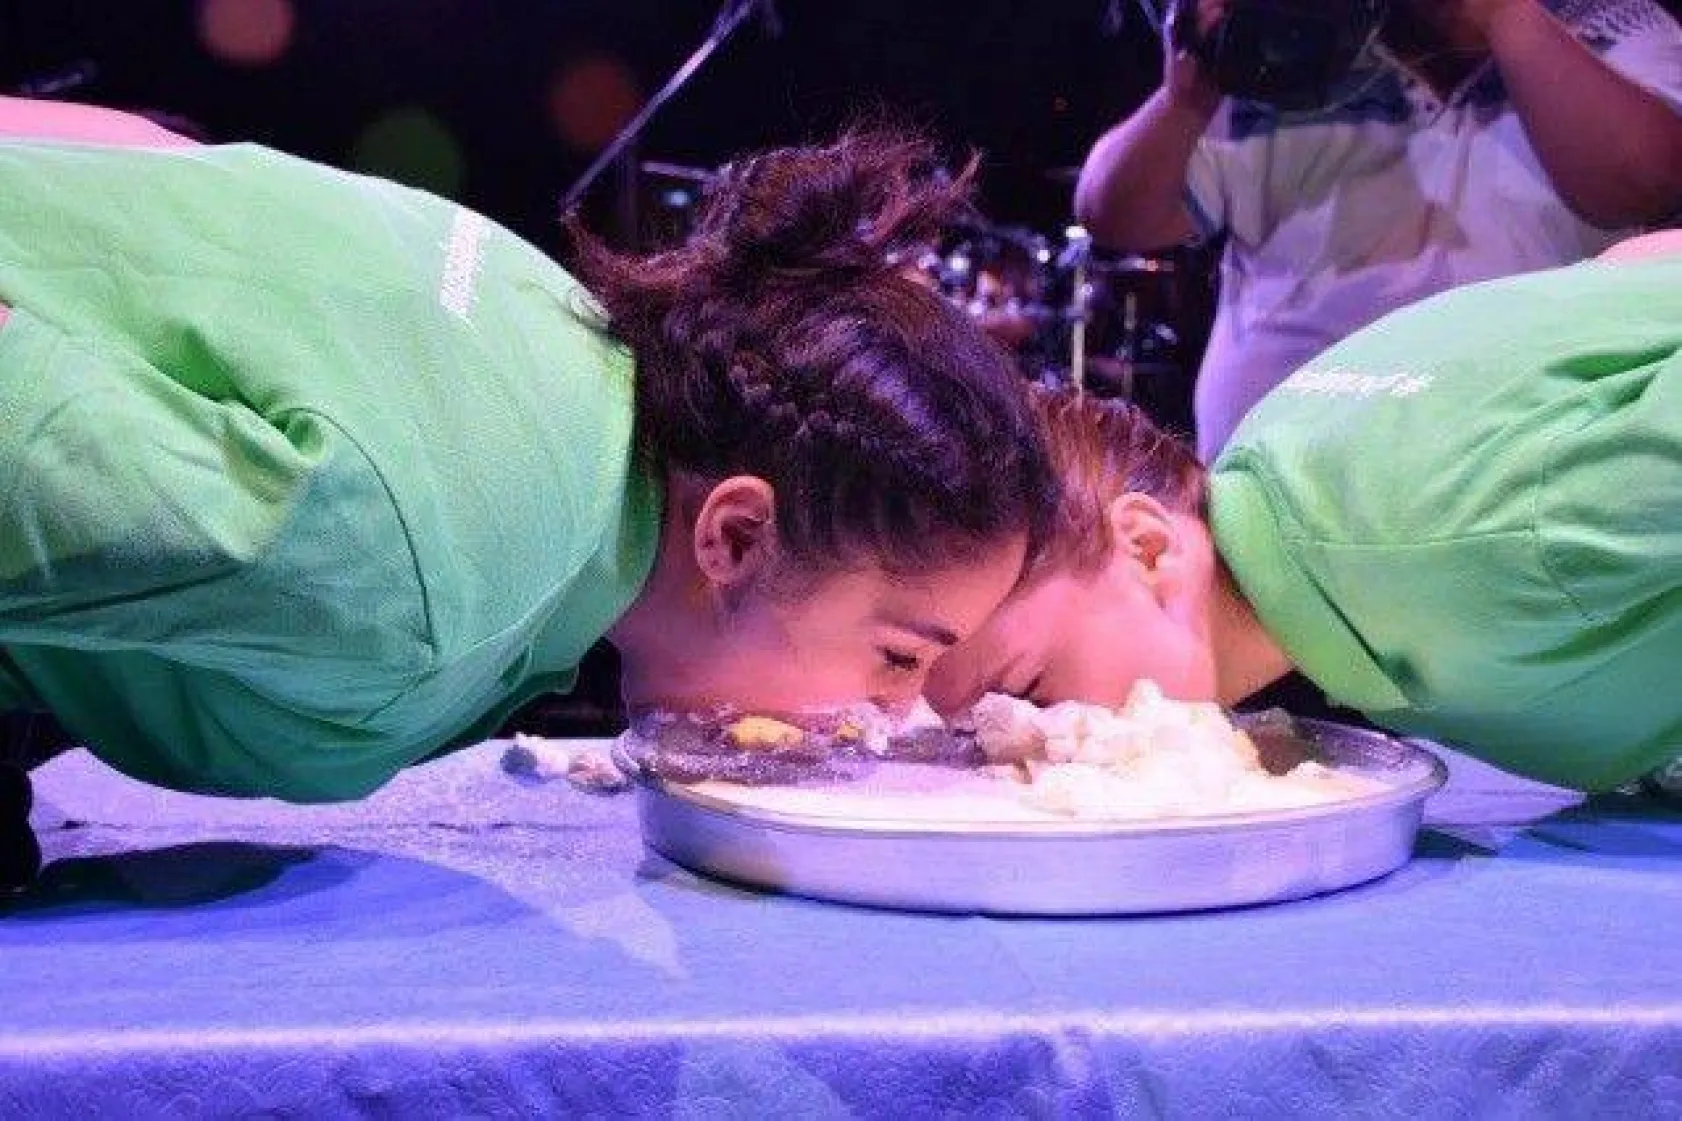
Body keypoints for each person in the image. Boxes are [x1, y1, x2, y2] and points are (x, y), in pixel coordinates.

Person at [0, 97, 1056, 883]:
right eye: (895, 655)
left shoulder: (540, 308)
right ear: (734, 535)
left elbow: (151, 168)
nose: (893, 712)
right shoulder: (414, 586)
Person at [925, 231, 1681, 793]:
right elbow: (1631, 271)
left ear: (1149, 547)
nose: (1011, 753)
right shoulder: (1288, 451)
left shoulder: (1473, 545)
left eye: (1026, 693)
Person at [1074, 0, 1682, 462]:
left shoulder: (1617, 24)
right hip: (1274, 491)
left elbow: (1641, 184)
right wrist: (1190, 93)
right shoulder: (1291, 48)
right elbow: (1114, 213)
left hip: (1513, 485)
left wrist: (1504, 15)